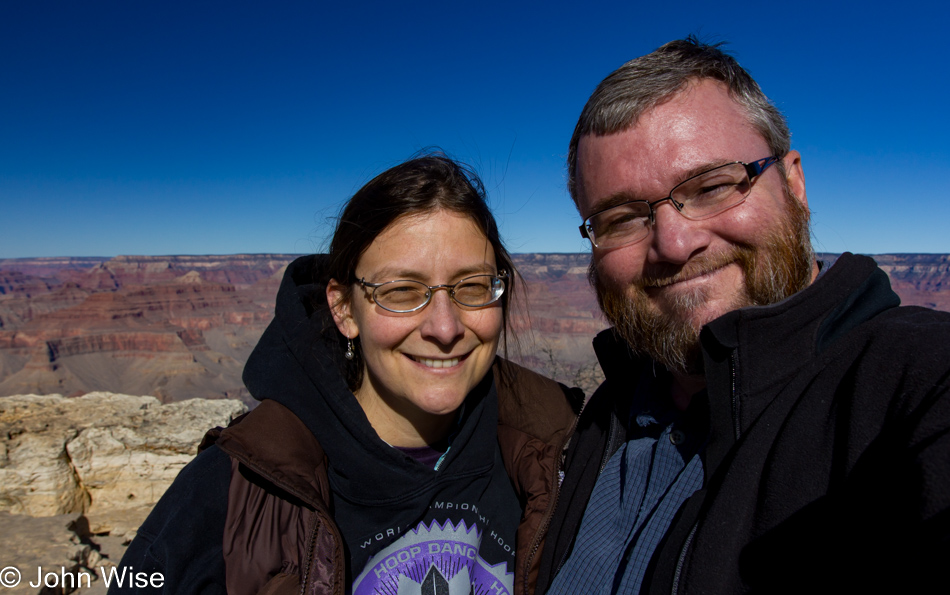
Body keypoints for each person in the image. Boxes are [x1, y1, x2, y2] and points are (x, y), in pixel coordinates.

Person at [536, 37, 950, 594]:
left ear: (794, 183)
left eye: (712, 186)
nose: (675, 244)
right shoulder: (607, 412)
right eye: (622, 217)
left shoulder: (914, 384)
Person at [113, 154, 579, 595]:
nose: (444, 327)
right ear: (343, 308)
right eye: (401, 290)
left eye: (473, 287)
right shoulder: (238, 487)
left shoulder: (562, 445)